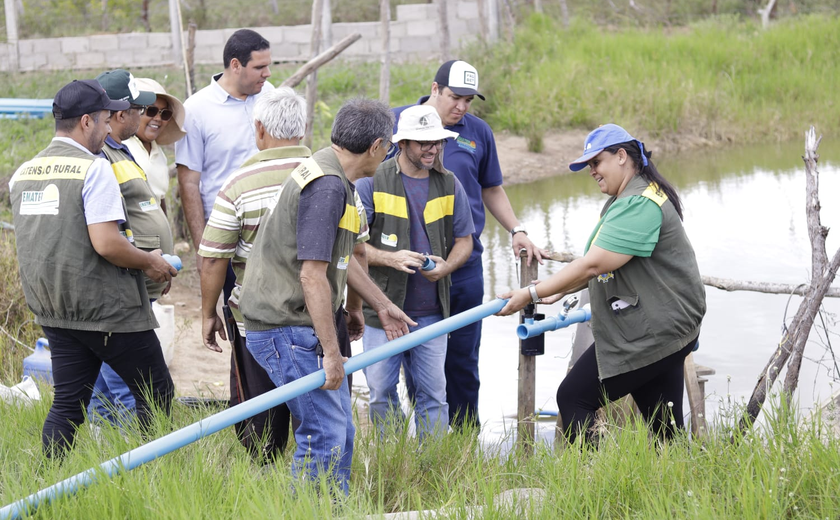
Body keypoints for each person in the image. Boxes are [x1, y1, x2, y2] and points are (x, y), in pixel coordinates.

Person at [240, 98, 415, 495]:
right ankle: (305, 509)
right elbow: (312, 276)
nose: (388, 155)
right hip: (284, 327)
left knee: (341, 432)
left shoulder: (333, 171)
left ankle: (332, 506)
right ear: (375, 147)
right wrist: (333, 354)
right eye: (388, 147)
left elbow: (342, 255)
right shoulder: (327, 186)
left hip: (295, 325)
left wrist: (381, 305)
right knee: (324, 436)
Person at [497, 124, 706, 444]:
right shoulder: (627, 198)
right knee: (665, 431)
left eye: (596, 162)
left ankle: (594, 481)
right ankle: (682, 486)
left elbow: (593, 263)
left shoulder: (640, 204)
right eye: (588, 166)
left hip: (653, 331)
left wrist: (532, 292)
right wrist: (558, 292)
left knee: (574, 397)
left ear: (622, 156)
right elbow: (602, 262)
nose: (592, 171)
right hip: (667, 329)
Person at [9, 79, 177, 457]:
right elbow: (106, 243)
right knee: (157, 394)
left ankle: (47, 480)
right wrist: (151, 261)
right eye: (104, 120)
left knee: (68, 403)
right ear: (86, 121)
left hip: (55, 311)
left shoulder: (25, 173)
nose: (107, 129)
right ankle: (152, 471)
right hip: (108, 311)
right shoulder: (94, 169)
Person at [393, 59, 548, 429]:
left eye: (467, 100)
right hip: (413, 269)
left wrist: (516, 230)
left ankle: (463, 440)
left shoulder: (477, 132)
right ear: (434, 89)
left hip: (463, 266)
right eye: (453, 97)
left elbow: (491, 187)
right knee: (417, 359)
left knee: (462, 358)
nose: (460, 107)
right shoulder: (399, 123)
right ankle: (428, 440)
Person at [198, 87, 310, 463]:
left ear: (259, 128)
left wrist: (208, 312)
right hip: (320, 318)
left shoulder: (238, 184)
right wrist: (355, 308)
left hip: (257, 322)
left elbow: (214, 258)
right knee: (324, 412)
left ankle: (265, 474)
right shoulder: (328, 175)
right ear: (304, 127)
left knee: (260, 412)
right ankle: (320, 483)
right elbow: (355, 251)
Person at [355, 105, 474, 440]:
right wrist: (390, 259)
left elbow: (464, 241)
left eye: (436, 142)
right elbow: (354, 248)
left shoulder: (450, 184)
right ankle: (391, 458)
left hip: (432, 314)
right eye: (423, 142)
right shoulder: (371, 182)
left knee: (433, 396)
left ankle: (430, 464)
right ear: (402, 143)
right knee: (380, 392)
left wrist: (447, 267)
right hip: (382, 312)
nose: (432, 148)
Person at [85, 69, 176, 428]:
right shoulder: (100, 157)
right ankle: (134, 461)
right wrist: (147, 265)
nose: (146, 117)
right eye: (142, 110)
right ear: (121, 114)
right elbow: (110, 233)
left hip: (140, 278)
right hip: (121, 287)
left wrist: (157, 265)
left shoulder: (120, 152)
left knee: (109, 384)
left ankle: (102, 451)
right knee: (129, 385)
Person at [175, 28, 273, 296]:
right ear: (235, 65)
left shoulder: (270, 96)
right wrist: (202, 249)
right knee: (239, 312)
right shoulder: (196, 109)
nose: (268, 74)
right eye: (260, 67)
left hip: (273, 227)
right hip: (228, 234)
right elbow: (189, 181)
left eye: (268, 66)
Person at [124, 77, 187, 215]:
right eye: (151, 111)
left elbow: (160, 200)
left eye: (165, 113)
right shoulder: (122, 149)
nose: (158, 118)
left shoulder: (159, 155)